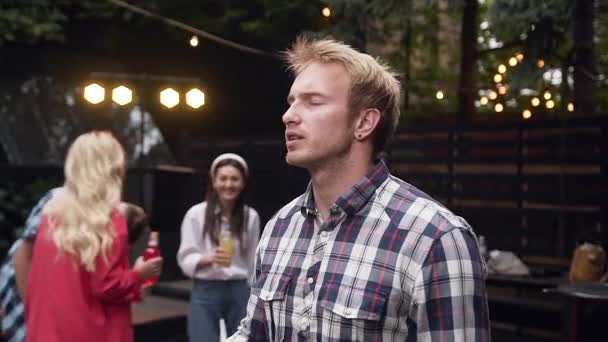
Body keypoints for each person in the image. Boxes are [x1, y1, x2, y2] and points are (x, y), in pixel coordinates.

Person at [227, 37, 490, 341]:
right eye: (292, 102)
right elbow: (254, 334)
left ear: (364, 123)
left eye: (313, 101)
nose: (289, 116)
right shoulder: (280, 227)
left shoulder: (436, 238)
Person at [24, 131, 163, 342]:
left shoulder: (50, 215)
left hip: (47, 332)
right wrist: (138, 274)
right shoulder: (109, 218)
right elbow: (106, 286)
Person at [0, 195, 149, 342]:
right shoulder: (60, 201)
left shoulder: (103, 239)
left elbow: (107, 287)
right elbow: (23, 254)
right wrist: (138, 275)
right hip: (29, 307)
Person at [177, 153, 260, 342]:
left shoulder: (250, 216)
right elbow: (185, 258)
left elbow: (253, 261)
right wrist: (208, 259)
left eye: (234, 179)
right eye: (223, 179)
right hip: (206, 289)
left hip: (239, 289)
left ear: (243, 183)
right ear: (214, 182)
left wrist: (253, 293)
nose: (228, 184)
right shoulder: (195, 214)